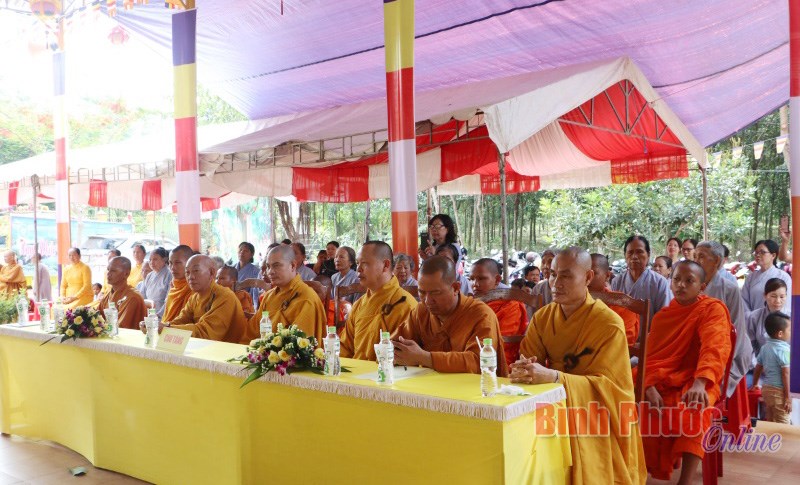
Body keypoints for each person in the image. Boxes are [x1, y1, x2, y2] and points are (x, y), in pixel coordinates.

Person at [511, 247, 646, 484]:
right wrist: (525, 369)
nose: (555, 283)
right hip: (551, 405)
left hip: (594, 414)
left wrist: (555, 378)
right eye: (552, 274)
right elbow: (527, 361)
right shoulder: (543, 318)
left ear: (588, 277)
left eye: (565, 276)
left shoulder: (609, 324)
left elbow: (613, 391)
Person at [641, 261, 732, 483]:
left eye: (689, 281)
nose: (681, 285)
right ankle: (636, 472)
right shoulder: (663, 316)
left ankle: (686, 480)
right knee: (634, 400)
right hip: (661, 377)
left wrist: (700, 383)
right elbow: (650, 359)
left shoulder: (712, 309)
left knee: (695, 408)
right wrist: (647, 385)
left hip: (699, 377)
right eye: (676, 280)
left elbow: (715, 347)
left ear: (702, 285)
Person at [391, 256, 508, 376]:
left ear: (456, 288)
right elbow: (395, 344)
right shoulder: (421, 311)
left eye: (435, 293)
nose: (427, 301)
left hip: (474, 389)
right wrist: (394, 351)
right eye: (422, 292)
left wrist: (425, 358)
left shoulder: (481, 314)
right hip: (429, 386)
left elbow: (479, 361)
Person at [340, 242, 417, 361]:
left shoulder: (405, 304)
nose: (358, 269)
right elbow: (345, 347)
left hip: (387, 375)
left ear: (385, 265)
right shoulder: (359, 304)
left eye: (364, 263)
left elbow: (406, 357)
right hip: (355, 374)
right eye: (357, 263)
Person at [695, 241, 752, 396]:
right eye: (694, 256)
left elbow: (737, 331)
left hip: (730, 355)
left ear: (717, 261)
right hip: (699, 352)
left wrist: (719, 363)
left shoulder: (729, 289)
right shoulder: (693, 287)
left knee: (703, 387)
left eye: (701, 257)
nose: (695, 261)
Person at [149, 255, 247, 343]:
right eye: (187, 272)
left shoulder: (225, 296)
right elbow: (181, 320)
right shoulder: (194, 297)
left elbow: (205, 332)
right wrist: (156, 326)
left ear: (212, 272)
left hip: (230, 353)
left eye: (196, 271)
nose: (190, 277)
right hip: (204, 349)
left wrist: (167, 328)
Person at [245, 245, 326, 344]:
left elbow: (300, 346)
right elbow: (250, 334)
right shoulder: (269, 296)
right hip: (264, 354)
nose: (270, 272)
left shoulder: (306, 298)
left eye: (276, 265)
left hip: (289, 357)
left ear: (292, 265)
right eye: (268, 266)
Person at [471, 258, 528, 366]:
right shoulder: (471, 304)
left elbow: (504, 343)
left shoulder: (511, 305)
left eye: (481, 279)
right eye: (472, 279)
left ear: (497, 280)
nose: (475, 284)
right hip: (471, 355)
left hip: (499, 360)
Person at [610, 236, 672, 319]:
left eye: (639, 252)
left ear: (648, 254)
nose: (634, 257)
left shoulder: (660, 282)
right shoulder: (616, 282)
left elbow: (664, 317)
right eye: (630, 252)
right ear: (625, 255)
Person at [749, 312, 792, 424]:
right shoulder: (784, 350)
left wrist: (754, 384)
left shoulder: (765, 348)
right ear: (780, 334)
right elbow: (785, 374)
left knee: (771, 419)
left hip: (766, 389)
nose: (791, 333)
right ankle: (782, 441)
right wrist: (787, 397)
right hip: (779, 392)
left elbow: (758, 367)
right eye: (790, 330)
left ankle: (772, 440)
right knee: (783, 422)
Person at [588, 254, 639, 347]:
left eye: (594, 273)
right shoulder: (573, 302)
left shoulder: (623, 304)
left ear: (607, 276)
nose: (587, 278)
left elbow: (625, 342)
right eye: (583, 273)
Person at [746, 278, 788, 368]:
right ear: (765, 295)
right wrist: (759, 365)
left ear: (786, 296)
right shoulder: (754, 317)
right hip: (760, 366)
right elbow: (750, 347)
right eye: (773, 296)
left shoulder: (793, 317)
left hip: (788, 367)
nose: (777, 301)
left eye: (782, 297)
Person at [95, 256, 147, 330]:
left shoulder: (133, 297)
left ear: (126, 274)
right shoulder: (109, 294)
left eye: (113, 271)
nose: (108, 273)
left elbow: (121, 327)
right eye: (108, 270)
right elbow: (97, 317)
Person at [742, 239, 792, 314]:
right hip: (753, 321)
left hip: (776, 322)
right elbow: (744, 301)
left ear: (773, 255)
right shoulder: (751, 277)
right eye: (756, 252)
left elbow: (787, 304)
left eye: (762, 252)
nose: (758, 255)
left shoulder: (783, 276)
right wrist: (751, 318)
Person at [163, 245, 195, 321]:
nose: (172, 267)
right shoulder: (174, 286)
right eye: (170, 263)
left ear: (189, 263)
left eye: (177, 263)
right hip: (166, 328)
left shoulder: (194, 288)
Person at [138, 247, 172, 318]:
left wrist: (159, 315)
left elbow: (169, 299)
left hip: (163, 315)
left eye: (155, 259)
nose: (151, 262)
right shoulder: (149, 275)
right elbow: (143, 296)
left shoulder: (169, 275)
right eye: (150, 260)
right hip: (149, 313)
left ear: (164, 260)